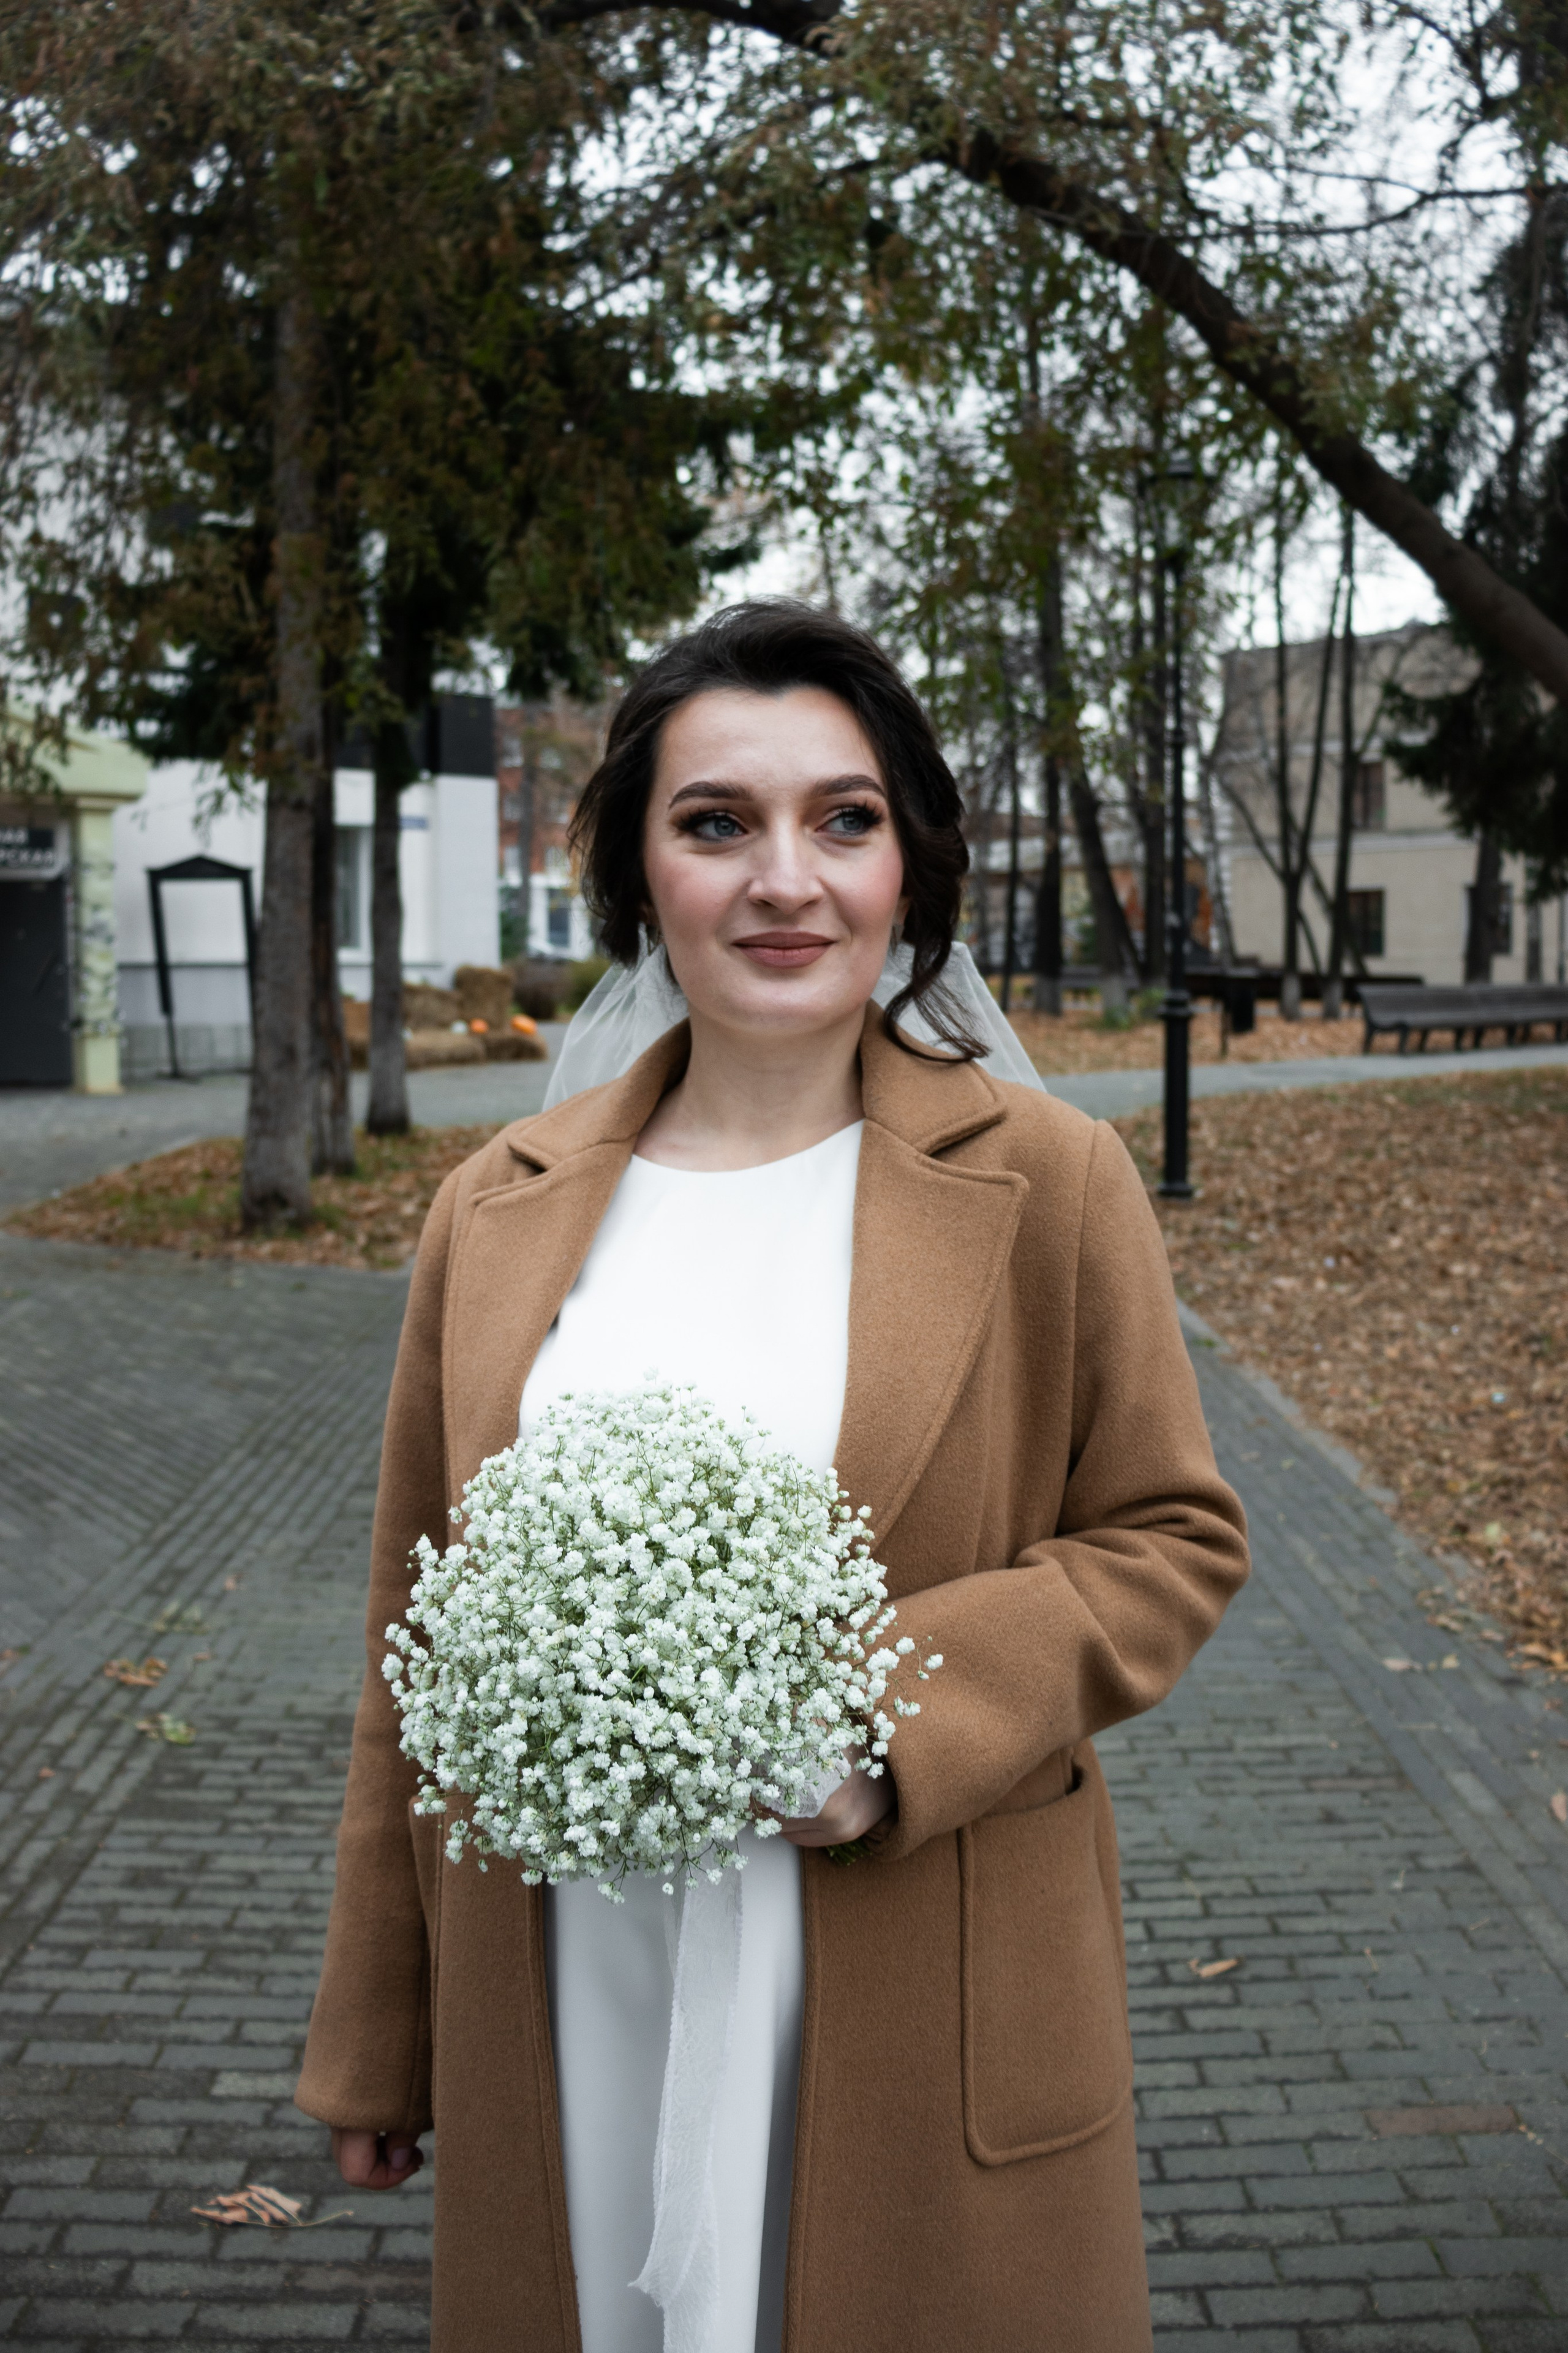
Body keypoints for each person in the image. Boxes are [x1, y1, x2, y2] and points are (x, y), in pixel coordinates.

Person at [296, 600, 1250, 2353]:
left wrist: (886, 1727)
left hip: (910, 1976)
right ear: (640, 872)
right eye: (717, 821)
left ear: (908, 867)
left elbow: (1172, 1538)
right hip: (572, 1970)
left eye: (845, 818)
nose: (783, 879)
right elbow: (403, 1652)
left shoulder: (1053, 1181)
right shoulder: (494, 1207)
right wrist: (379, 2027)